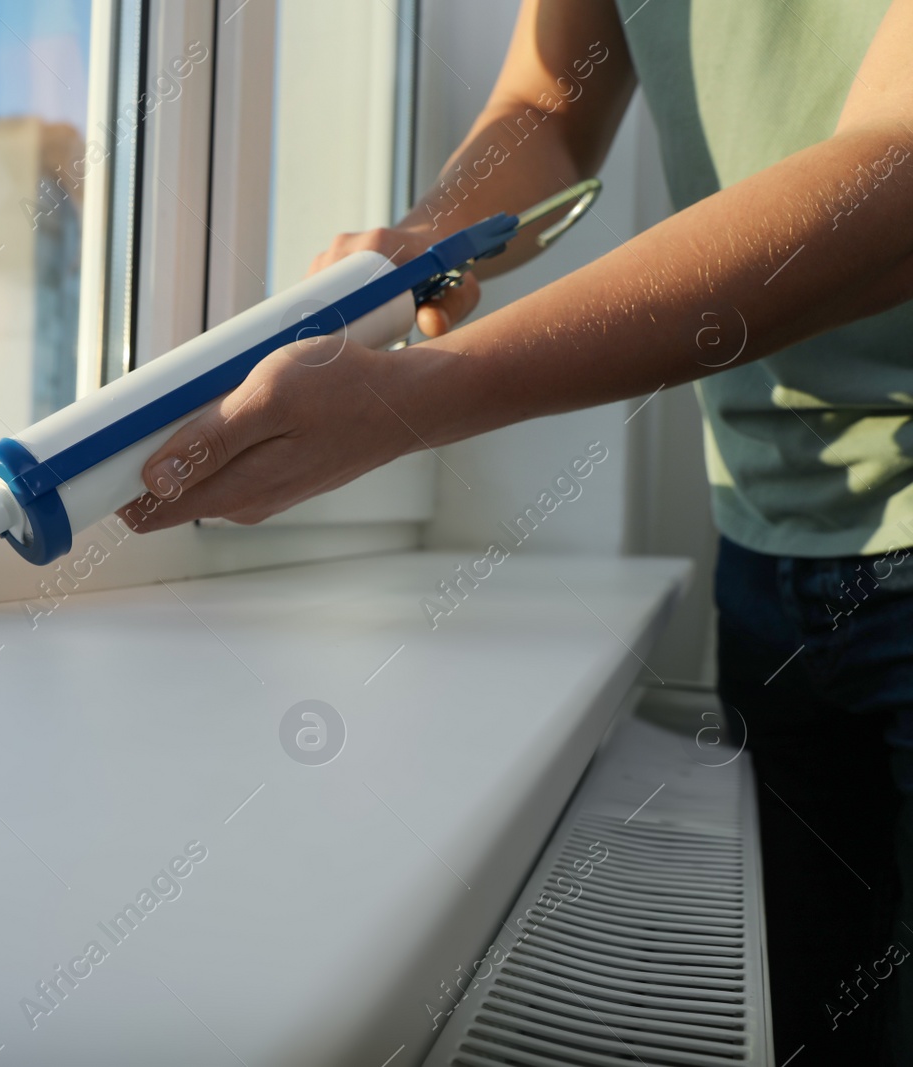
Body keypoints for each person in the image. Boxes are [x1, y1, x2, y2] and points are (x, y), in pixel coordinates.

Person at [121, 0, 913, 1061]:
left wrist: (418, 397)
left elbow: (892, 175)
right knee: (817, 1010)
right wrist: (417, 247)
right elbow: (548, 102)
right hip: (766, 529)